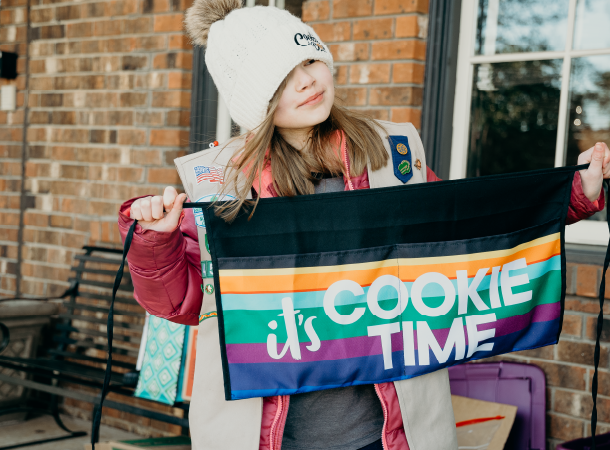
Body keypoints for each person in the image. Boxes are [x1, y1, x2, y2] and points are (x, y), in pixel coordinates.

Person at [118, 1, 610, 449]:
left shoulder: (392, 154)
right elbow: (181, 303)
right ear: (255, 100)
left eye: (309, 61)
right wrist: (156, 243)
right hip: (269, 436)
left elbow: (465, 231)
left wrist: (572, 196)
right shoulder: (220, 182)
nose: (307, 81)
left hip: (389, 432)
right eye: (282, 77)